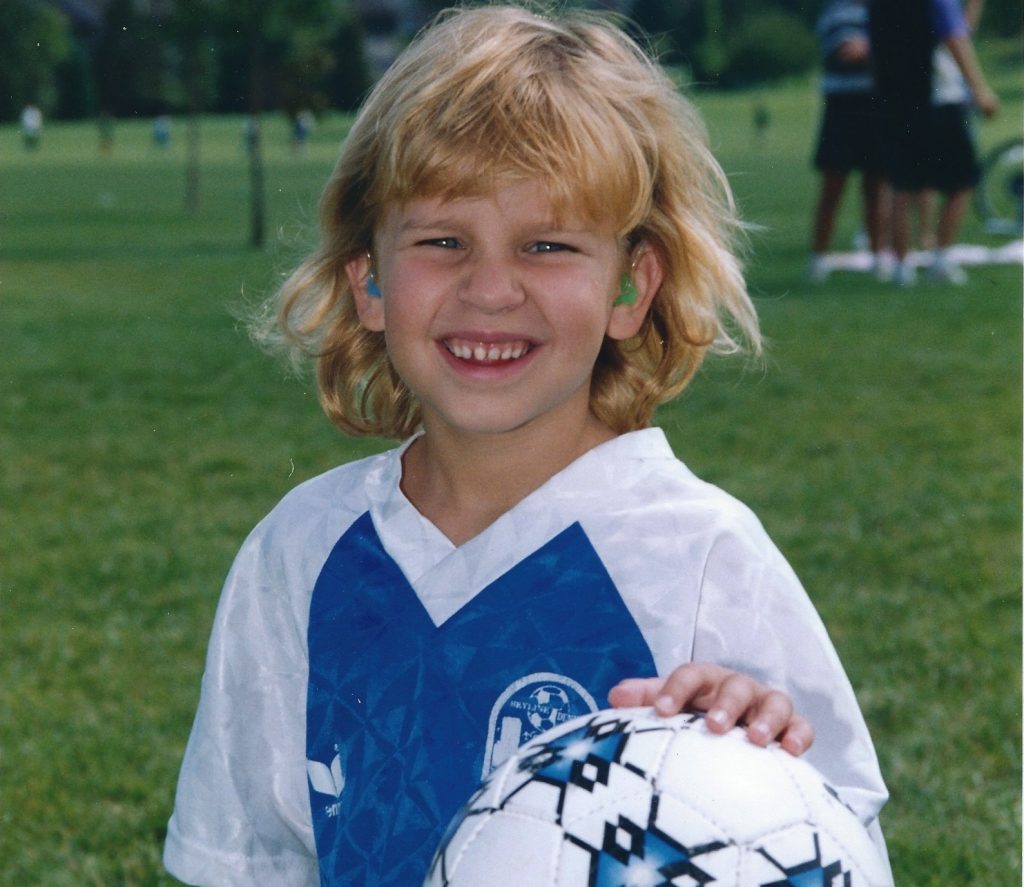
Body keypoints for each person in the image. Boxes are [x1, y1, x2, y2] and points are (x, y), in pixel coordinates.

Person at [163, 6, 890, 885]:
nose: (492, 288)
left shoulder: (703, 556)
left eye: (547, 244)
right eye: (443, 240)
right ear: (371, 280)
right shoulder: (300, 553)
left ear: (631, 285)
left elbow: (830, 844)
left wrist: (765, 754)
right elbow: (249, 857)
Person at [869, 0, 999, 286]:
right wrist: (980, 89)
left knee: (904, 184)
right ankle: (941, 258)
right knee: (960, 180)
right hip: (941, 97)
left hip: (899, 99)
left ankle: (902, 266)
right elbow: (955, 36)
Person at [808, 0, 889, 284]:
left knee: (876, 187)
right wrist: (889, 48)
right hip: (844, 108)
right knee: (833, 188)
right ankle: (818, 259)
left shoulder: (880, 11)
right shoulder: (838, 11)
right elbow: (848, 52)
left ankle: (879, 258)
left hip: (876, 106)